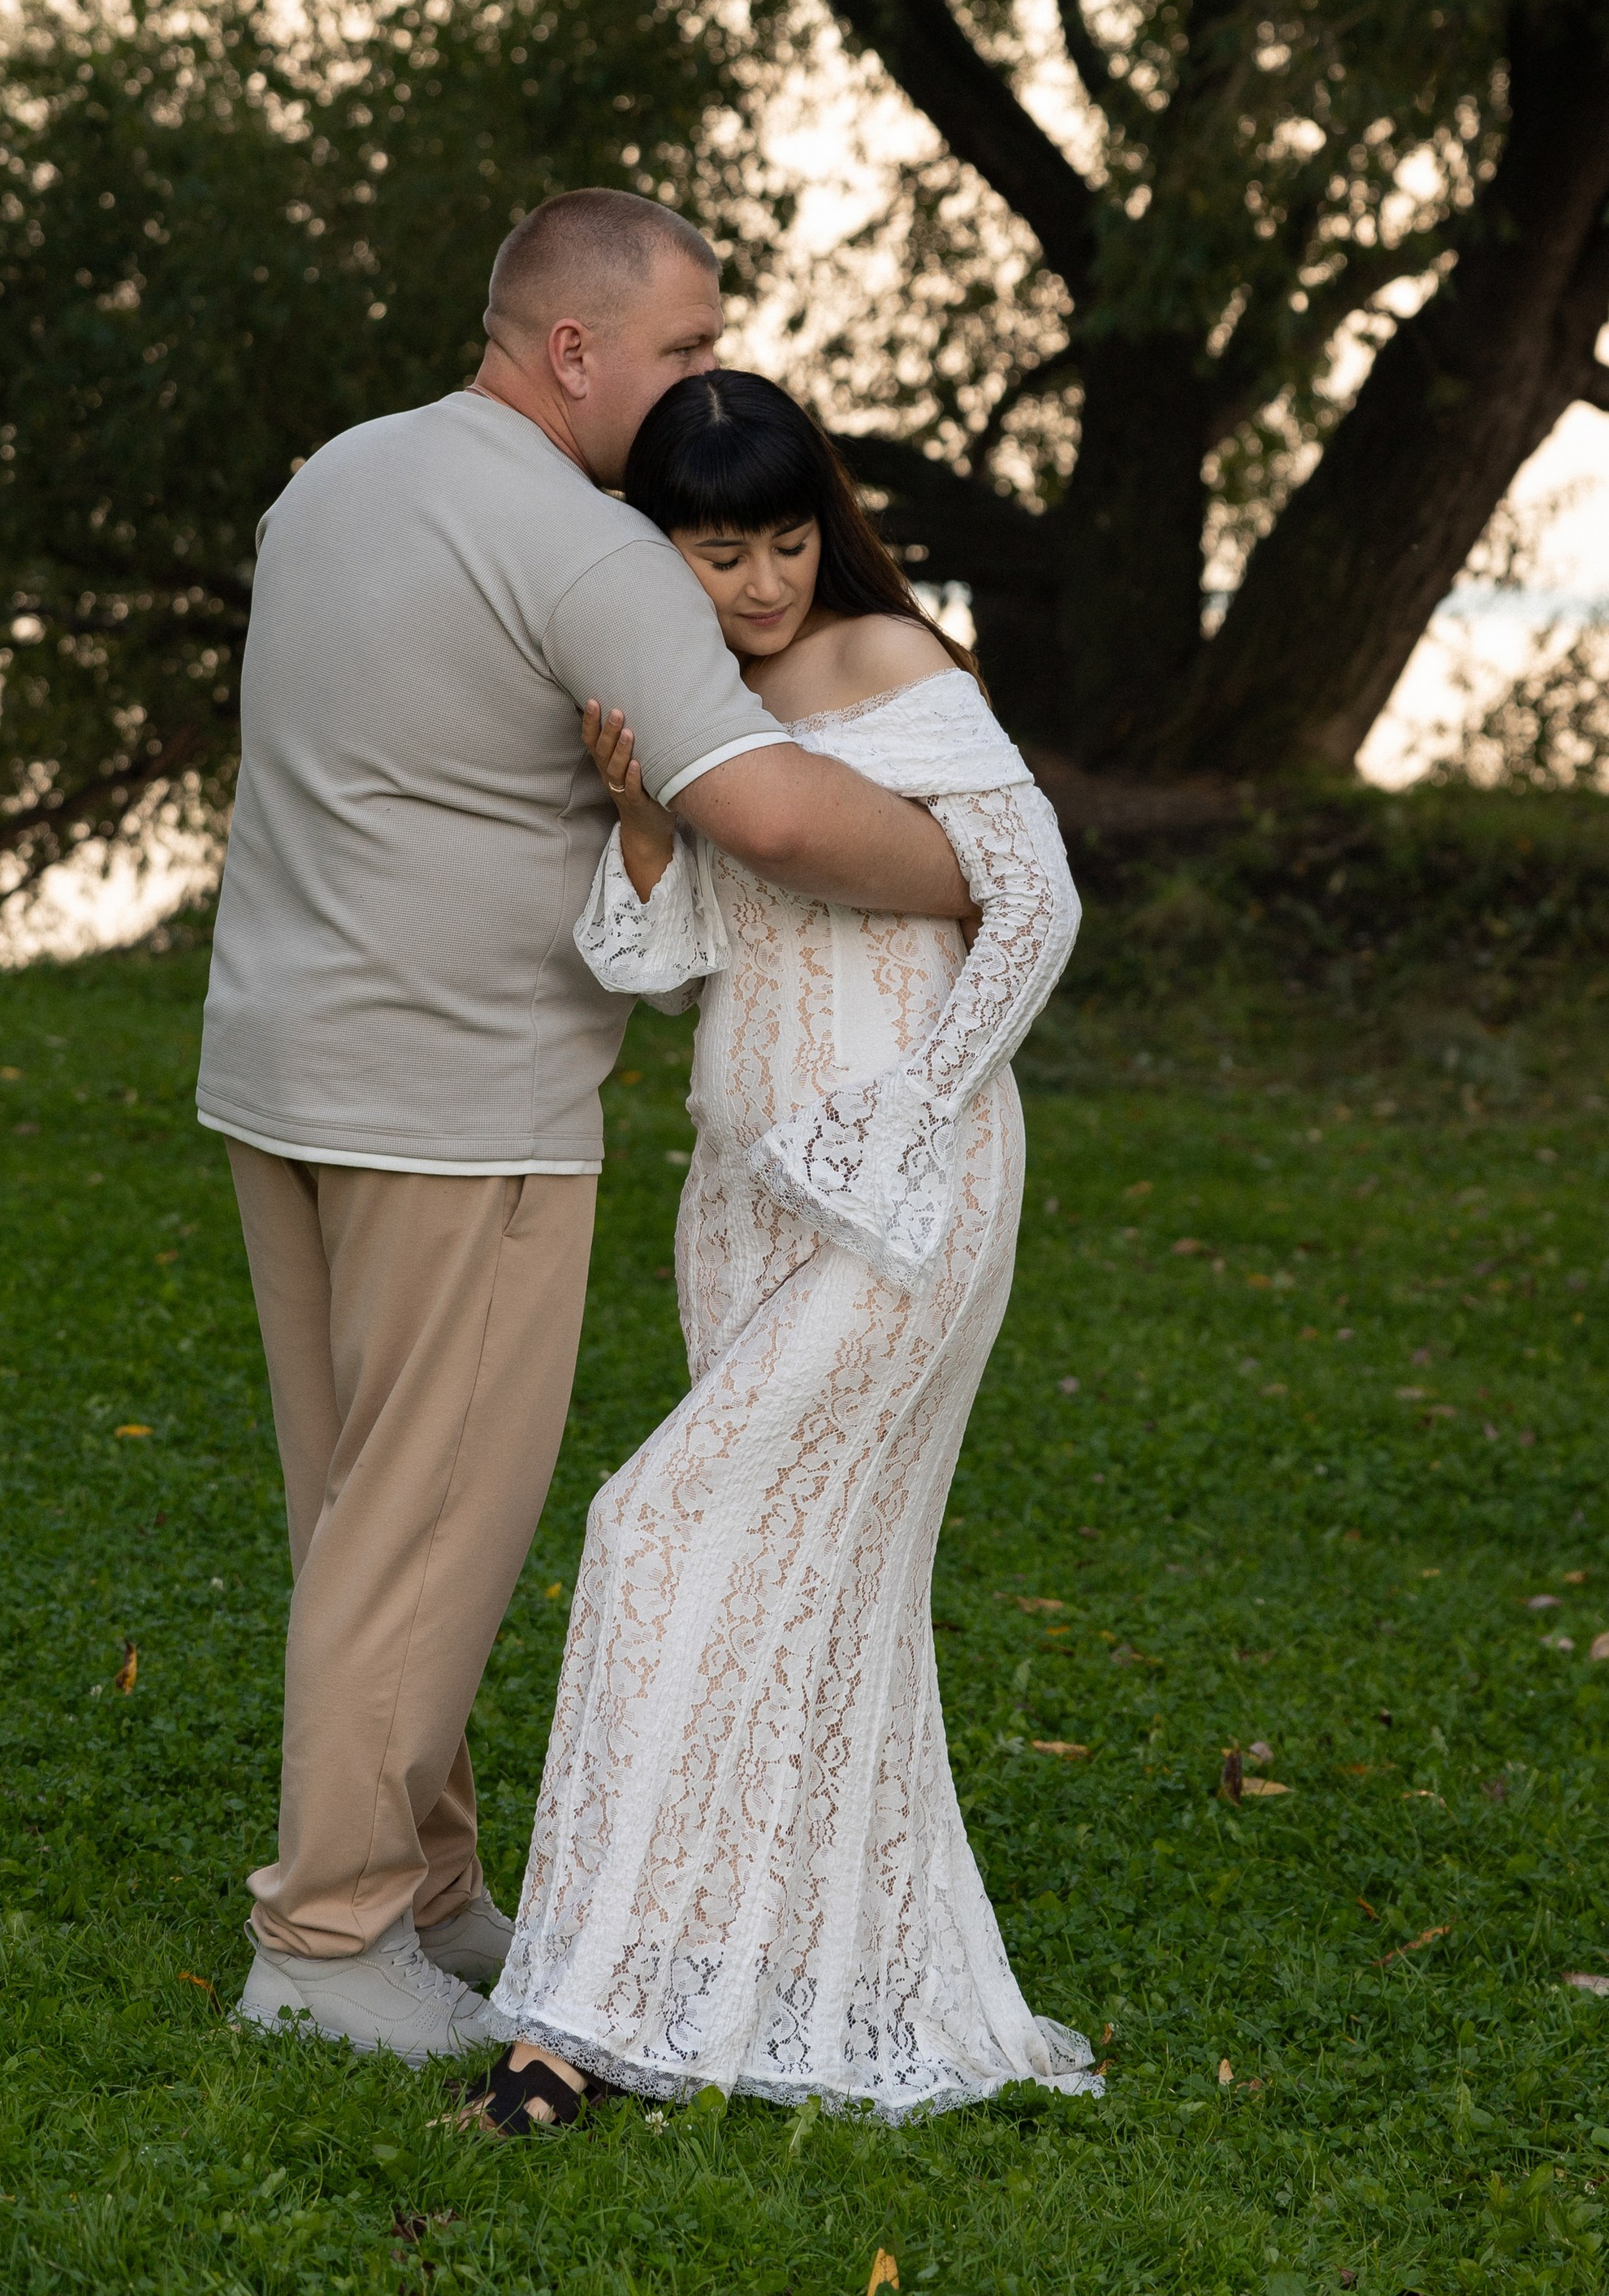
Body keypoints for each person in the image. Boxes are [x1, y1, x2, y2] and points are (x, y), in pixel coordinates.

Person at [197, 192, 976, 2068]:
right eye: (689, 347)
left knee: (357, 1506)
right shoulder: (585, 547)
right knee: (429, 1518)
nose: (711, 376)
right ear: (576, 353)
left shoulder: (339, 480)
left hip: (276, 1069)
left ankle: (428, 1889)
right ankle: (319, 1947)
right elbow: (772, 814)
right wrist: (975, 857)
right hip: (459, 1107)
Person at [469, 370, 1096, 2131]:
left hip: (906, 1186)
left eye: (788, 541)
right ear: (651, 546)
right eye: (717, 548)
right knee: (808, 1604)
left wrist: (900, 1115)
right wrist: (650, 822)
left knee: (656, 1525)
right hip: (739, 1202)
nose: (758, 586)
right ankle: (785, 1985)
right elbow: (658, 963)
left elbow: (1032, 899)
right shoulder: (684, 695)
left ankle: (570, 2033)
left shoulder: (893, 667)